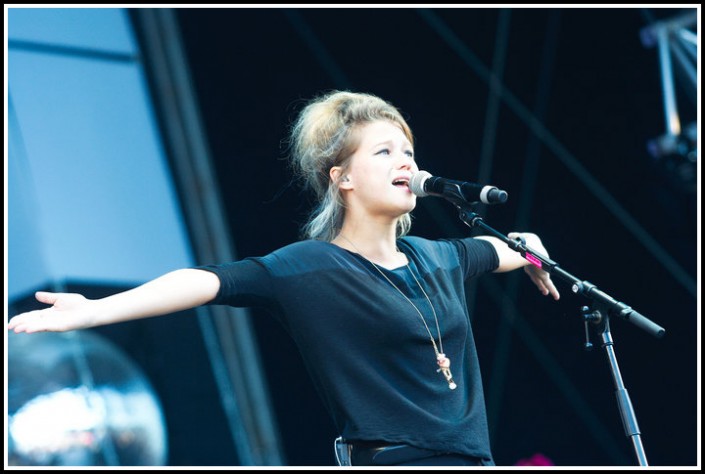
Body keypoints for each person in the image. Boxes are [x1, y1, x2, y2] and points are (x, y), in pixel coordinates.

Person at [8, 90, 560, 466]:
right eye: (385, 151)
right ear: (341, 178)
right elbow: (207, 281)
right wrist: (97, 310)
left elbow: (506, 248)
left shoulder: (440, 258)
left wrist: (531, 252)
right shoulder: (312, 267)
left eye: (409, 152)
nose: (405, 164)